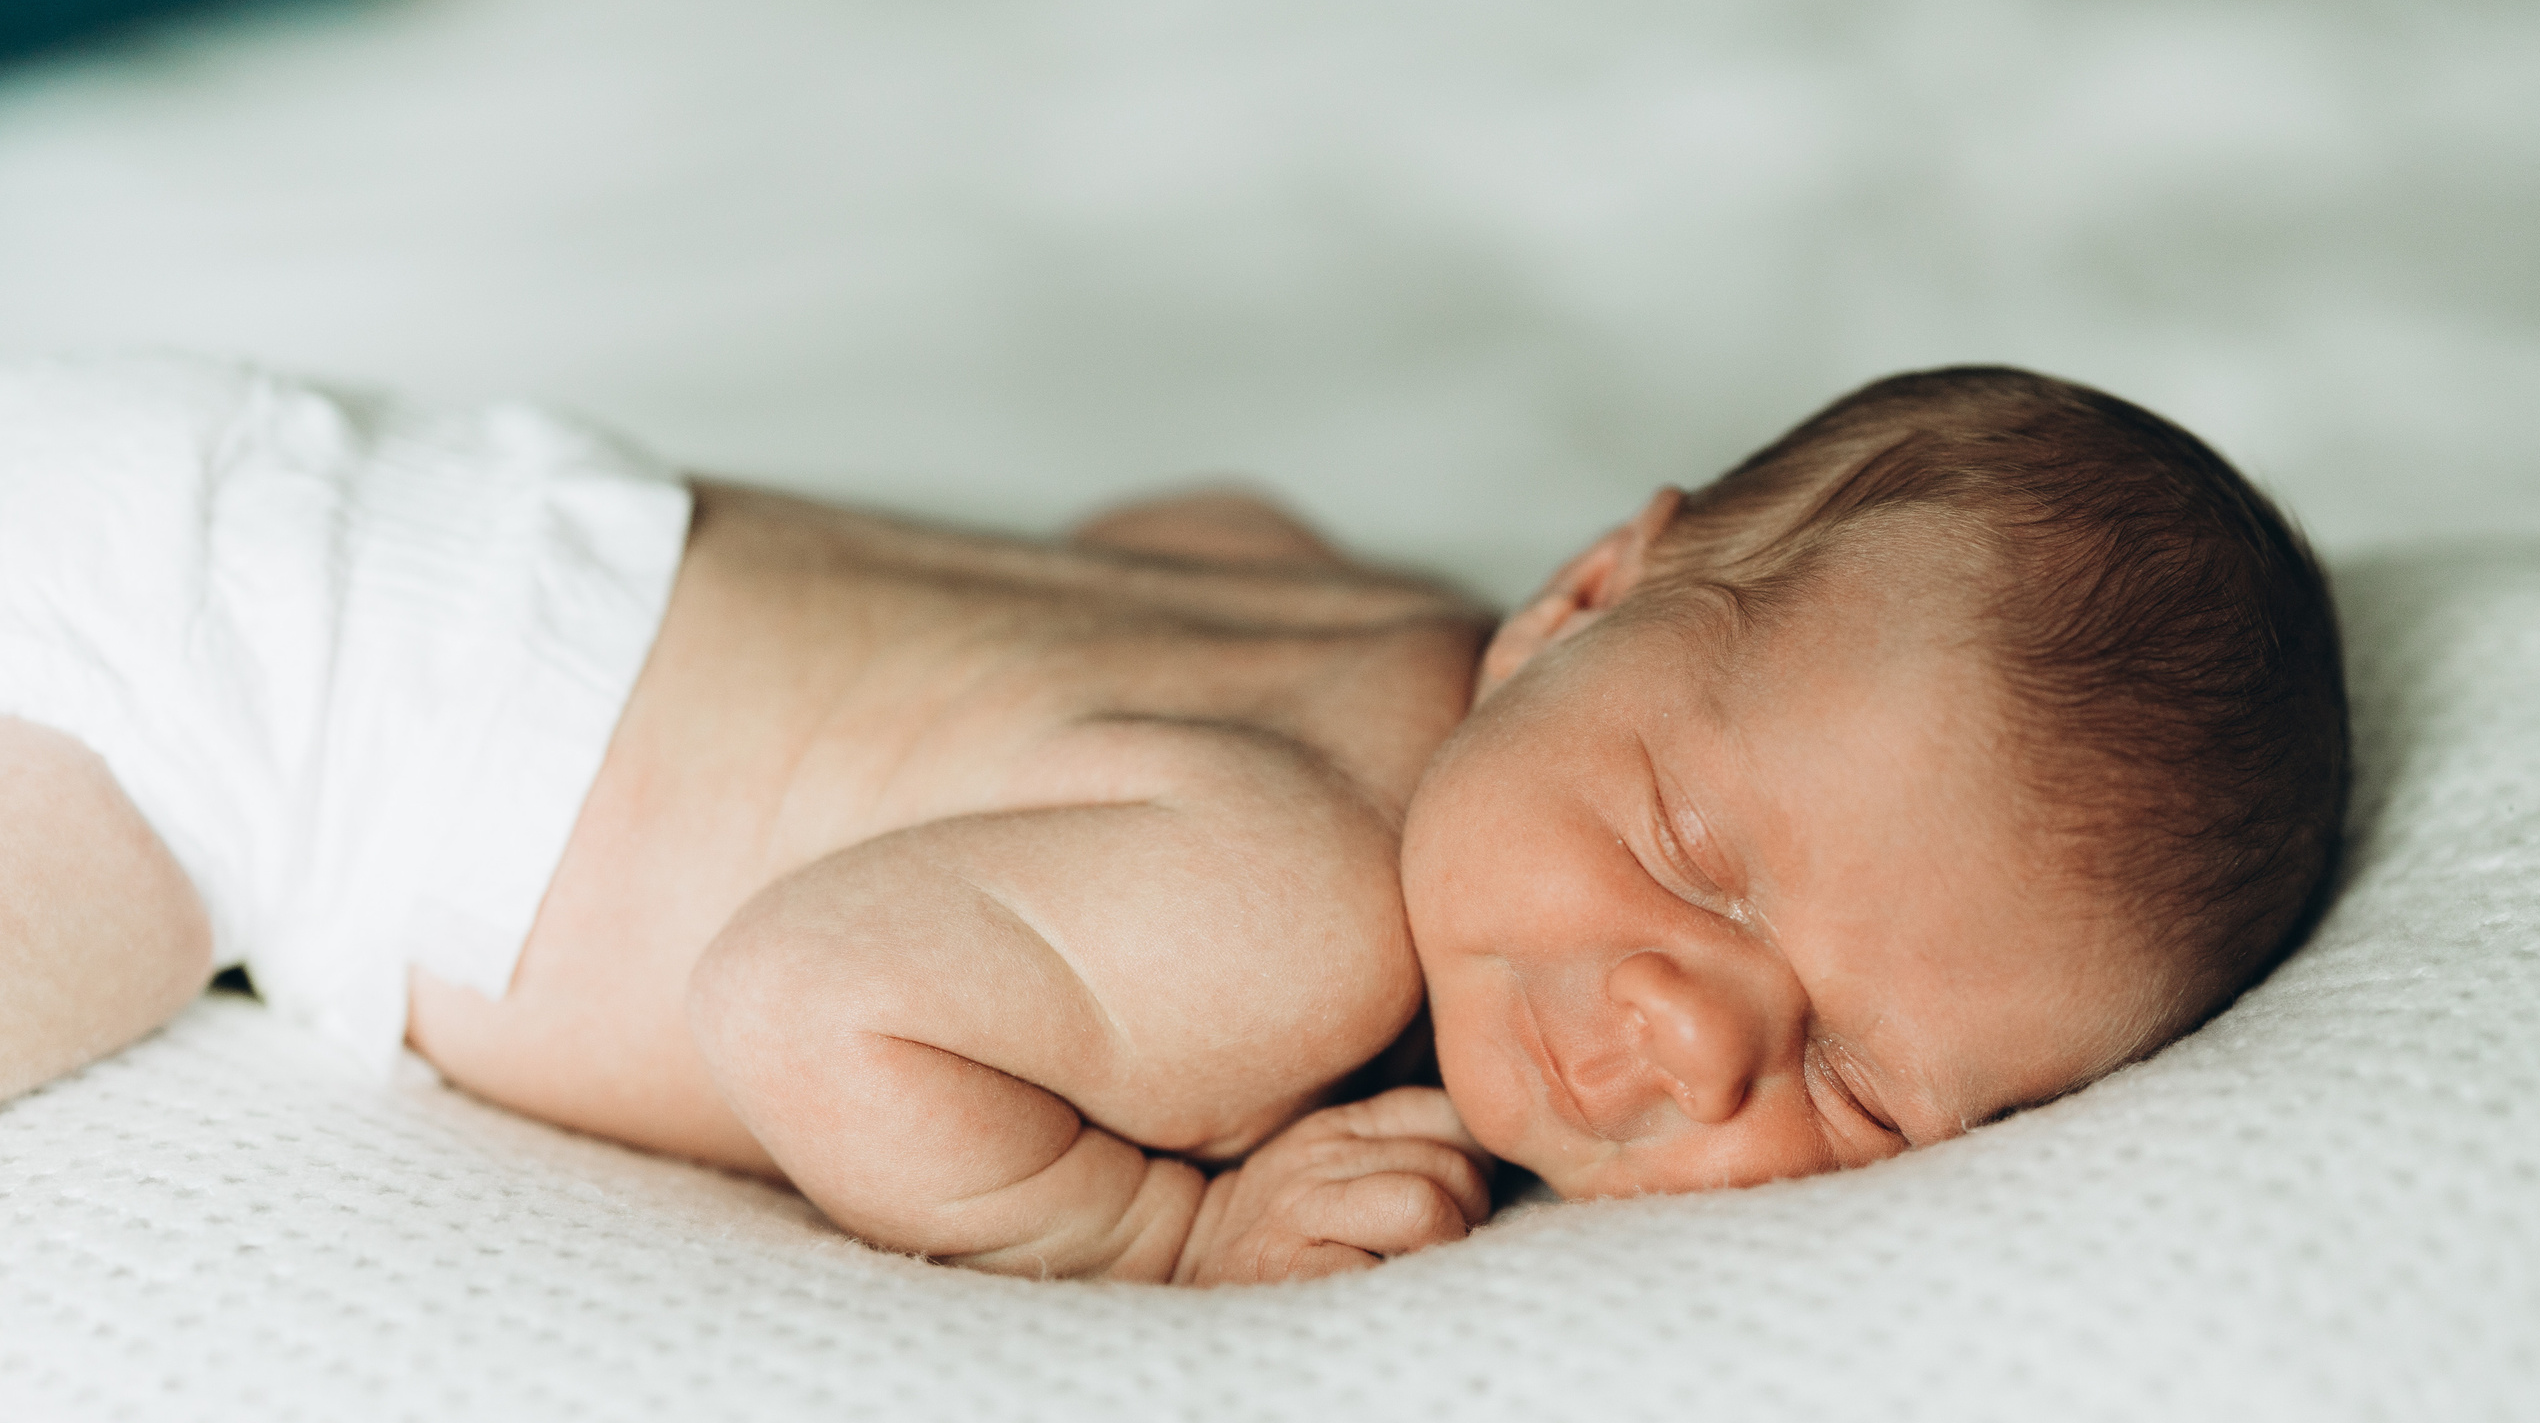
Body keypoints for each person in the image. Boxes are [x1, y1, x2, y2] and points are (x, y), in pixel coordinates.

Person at [0, 355, 2347, 1284]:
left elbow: (1170, 502)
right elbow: (804, 999)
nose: (1684, 1023)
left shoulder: (1372, 626)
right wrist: (1156, 1227)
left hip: (316, 477)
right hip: (213, 719)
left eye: (1849, 1074)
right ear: (1582, 605)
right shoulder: (1290, 915)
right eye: (1691, 858)